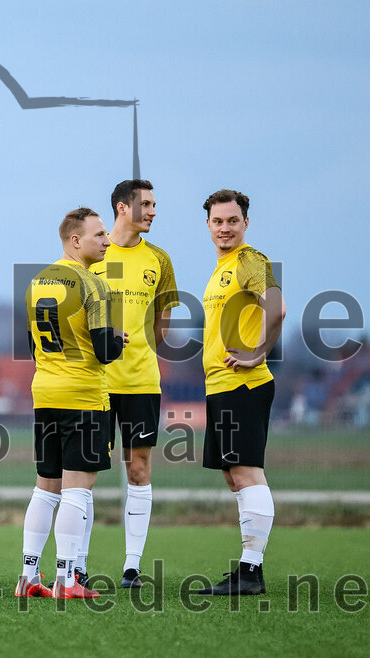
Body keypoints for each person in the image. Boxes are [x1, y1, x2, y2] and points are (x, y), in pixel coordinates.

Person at [15, 207, 126, 600]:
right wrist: (119, 339)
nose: (107, 241)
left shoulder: (37, 282)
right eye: (99, 235)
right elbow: (105, 351)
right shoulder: (94, 285)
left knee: (46, 487)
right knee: (78, 489)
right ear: (75, 240)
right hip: (83, 395)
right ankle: (66, 580)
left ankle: (28, 576)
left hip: (45, 392)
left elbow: (32, 345)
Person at [88, 179, 179, 588]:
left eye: (155, 204)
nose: (154, 211)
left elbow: (162, 323)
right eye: (147, 204)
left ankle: (131, 567)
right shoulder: (93, 253)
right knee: (85, 472)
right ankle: (77, 566)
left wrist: (140, 351)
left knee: (139, 470)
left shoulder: (159, 259)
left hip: (142, 382)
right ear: (122, 208)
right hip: (95, 383)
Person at [195, 189, 285, 596]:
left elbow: (277, 307)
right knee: (235, 477)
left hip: (244, 385)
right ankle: (249, 568)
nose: (225, 228)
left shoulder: (250, 260)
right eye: (218, 221)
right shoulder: (222, 267)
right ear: (208, 225)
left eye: (233, 220)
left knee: (247, 473)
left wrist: (257, 353)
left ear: (246, 223)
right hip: (221, 386)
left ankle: (251, 572)